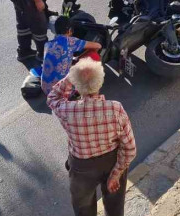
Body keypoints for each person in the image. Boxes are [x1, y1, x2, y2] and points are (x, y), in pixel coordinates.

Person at [47, 59, 136, 216]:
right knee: (115, 207)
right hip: (112, 161)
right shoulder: (115, 108)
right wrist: (115, 174)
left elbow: (52, 97)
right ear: (100, 82)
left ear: (76, 85)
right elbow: (129, 149)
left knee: (83, 210)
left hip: (81, 168)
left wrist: (71, 76)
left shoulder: (67, 110)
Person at [40, 16, 102, 95]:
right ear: (69, 30)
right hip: (61, 92)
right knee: (93, 55)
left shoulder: (48, 44)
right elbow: (98, 46)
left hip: (46, 88)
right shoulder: (71, 41)